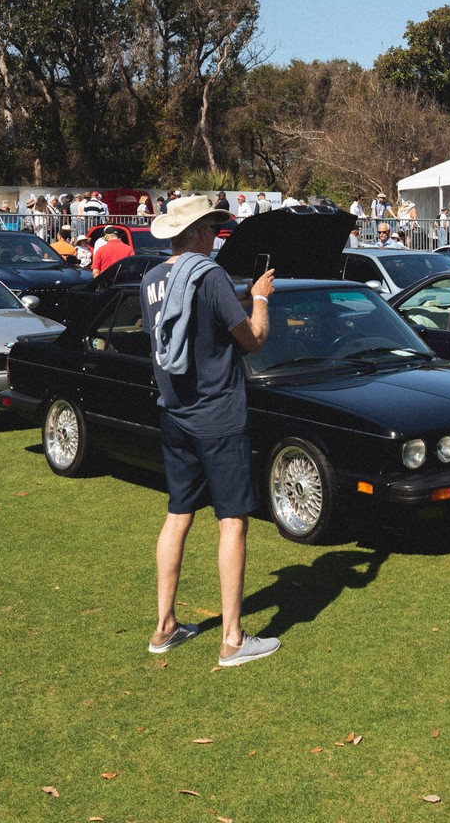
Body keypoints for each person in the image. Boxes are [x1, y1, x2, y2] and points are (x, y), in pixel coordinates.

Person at [140, 195, 280, 667]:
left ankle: (164, 628)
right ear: (198, 232)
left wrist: (238, 297)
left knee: (178, 515)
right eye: (213, 229)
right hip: (219, 417)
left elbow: (189, 317)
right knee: (232, 521)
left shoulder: (153, 279)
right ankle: (234, 640)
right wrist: (259, 299)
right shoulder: (210, 275)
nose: (218, 236)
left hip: (174, 414)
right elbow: (253, 340)